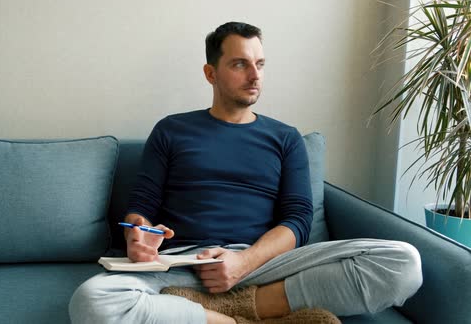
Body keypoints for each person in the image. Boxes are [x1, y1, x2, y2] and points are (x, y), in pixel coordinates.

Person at [69, 22, 423, 324]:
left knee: (402, 262)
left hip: (264, 265)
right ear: (211, 73)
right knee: (91, 300)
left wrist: (242, 262)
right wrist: (138, 235)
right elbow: (141, 204)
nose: (255, 75)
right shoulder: (171, 130)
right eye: (240, 64)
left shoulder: (286, 138)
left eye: (260, 63)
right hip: (184, 263)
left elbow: (298, 219)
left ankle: (228, 309)